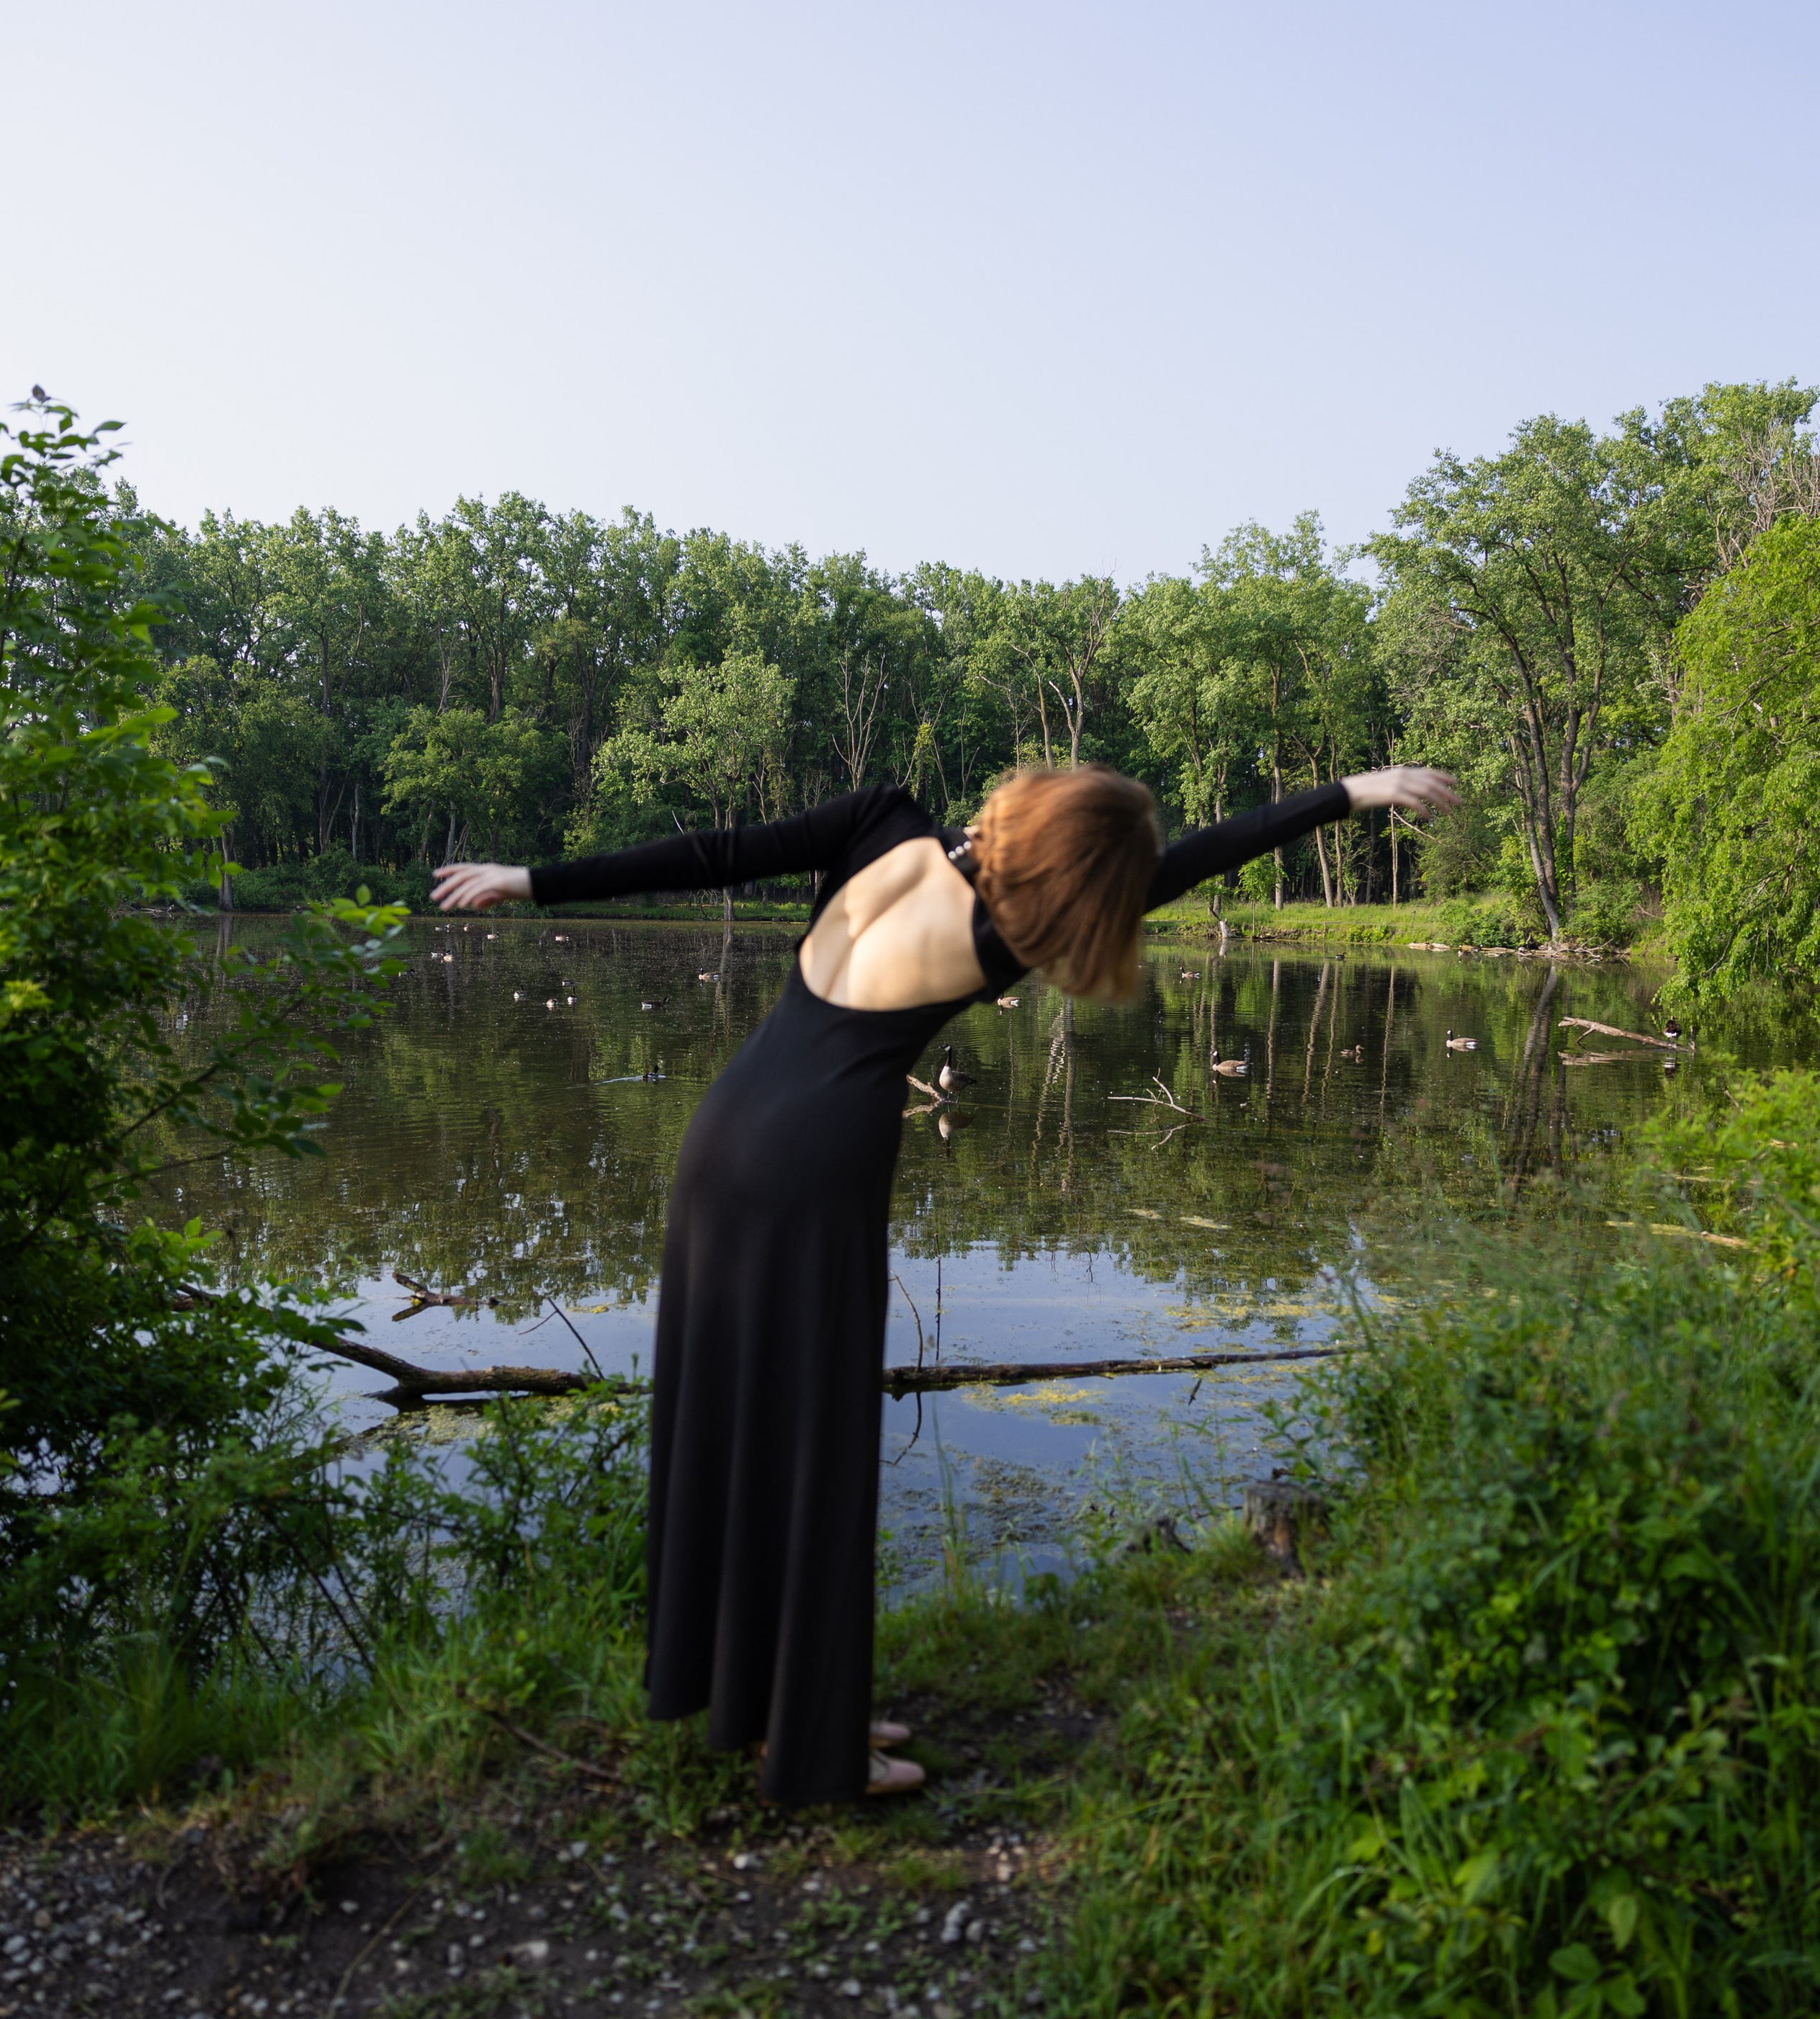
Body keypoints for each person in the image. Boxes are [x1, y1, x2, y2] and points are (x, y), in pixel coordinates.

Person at [434, 758, 1456, 1804]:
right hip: (817, 1165)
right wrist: (1344, 794)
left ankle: (778, 1709)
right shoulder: (1007, 936)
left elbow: (714, 855)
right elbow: (1196, 862)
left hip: (725, 1136)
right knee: (816, 1442)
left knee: (740, 1425)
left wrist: (532, 878)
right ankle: (810, 1748)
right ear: (1077, 878)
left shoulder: (882, 817)